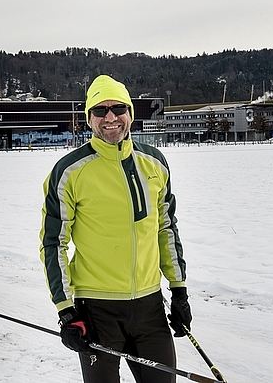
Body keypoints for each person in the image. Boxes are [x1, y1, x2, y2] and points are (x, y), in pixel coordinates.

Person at [39, 75, 192, 383]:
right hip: (97, 312)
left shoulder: (155, 163)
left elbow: (166, 229)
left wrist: (179, 292)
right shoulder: (70, 172)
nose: (110, 117)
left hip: (149, 309)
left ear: (130, 114)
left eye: (118, 108)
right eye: (100, 110)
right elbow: (54, 243)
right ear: (90, 119)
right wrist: (66, 311)